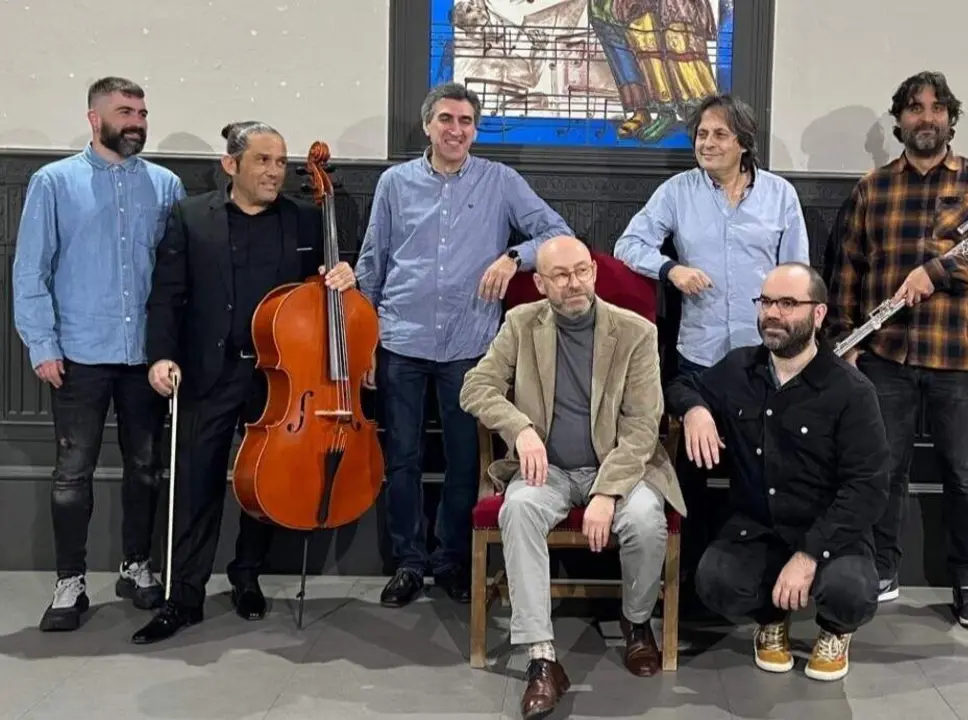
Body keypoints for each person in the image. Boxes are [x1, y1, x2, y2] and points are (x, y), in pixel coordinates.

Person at [130, 121, 357, 644]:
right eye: (263, 161)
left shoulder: (303, 219)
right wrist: (160, 356)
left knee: (266, 484)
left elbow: (326, 296)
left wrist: (344, 279)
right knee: (196, 483)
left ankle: (246, 576)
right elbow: (167, 294)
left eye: (280, 162)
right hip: (208, 370)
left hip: (278, 378)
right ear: (232, 165)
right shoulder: (190, 216)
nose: (275, 172)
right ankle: (182, 596)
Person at [355, 82, 573, 606]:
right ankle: (408, 561)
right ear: (428, 125)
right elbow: (372, 262)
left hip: (470, 346)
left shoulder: (500, 181)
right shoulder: (395, 183)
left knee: (463, 459)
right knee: (401, 457)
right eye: (447, 120)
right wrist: (363, 340)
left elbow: (556, 232)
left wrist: (514, 257)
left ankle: (452, 558)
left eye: (467, 122)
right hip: (400, 339)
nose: (457, 130)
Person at [459, 236, 685, 718]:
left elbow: (645, 427)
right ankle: (542, 659)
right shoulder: (521, 324)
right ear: (540, 283)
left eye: (582, 271)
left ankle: (636, 621)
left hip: (621, 468)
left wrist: (607, 491)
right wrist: (519, 429)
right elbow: (475, 387)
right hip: (550, 471)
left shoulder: (636, 332)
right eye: (560, 275)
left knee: (646, 519)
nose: (574, 283)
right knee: (517, 508)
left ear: (594, 273)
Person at [826, 71, 968, 628]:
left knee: (965, 474)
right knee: (884, 470)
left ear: (950, 118)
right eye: (914, 108)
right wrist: (847, 344)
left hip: (957, 356)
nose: (925, 117)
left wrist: (941, 270)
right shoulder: (873, 187)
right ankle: (883, 567)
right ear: (900, 119)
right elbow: (847, 271)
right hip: (885, 356)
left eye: (936, 108)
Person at [612, 93, 809, 604]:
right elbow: (627, 245)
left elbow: (799, 277)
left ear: (744, 142)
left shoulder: (780, 196)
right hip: (698, 358)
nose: (707, 143)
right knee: (693, 480)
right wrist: (670, 269)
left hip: (763, 359)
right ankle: (690, 591)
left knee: (761, 476)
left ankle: (761, 588)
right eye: (701, 134)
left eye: (719, 134)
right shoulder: (677, 192)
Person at [11, 76, 185, 631]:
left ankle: (137, 567)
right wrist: (42, 344)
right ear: (94, 118)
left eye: (142, 111)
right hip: (78, 354)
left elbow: (177, 275)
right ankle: (71, 582)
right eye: (125, 111)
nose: (136, 121)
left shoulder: (165, 186)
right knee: (72, 473)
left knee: (146, 468)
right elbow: (30, 270)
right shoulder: (53, 182)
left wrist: (172, 348)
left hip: (145, 358)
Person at [666, 263, 889, 682]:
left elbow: (868, 490)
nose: (772, 313)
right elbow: (680, 386)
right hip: (758, 528)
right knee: (715, 580)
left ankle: (836, 631)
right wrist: (696, 410)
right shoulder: (738, 369)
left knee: (851, 591)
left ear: (818, 314)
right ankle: (770, 618)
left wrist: (808, 556)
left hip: (831, 535)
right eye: (766, 301)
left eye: (788, 303)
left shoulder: (852, 392)